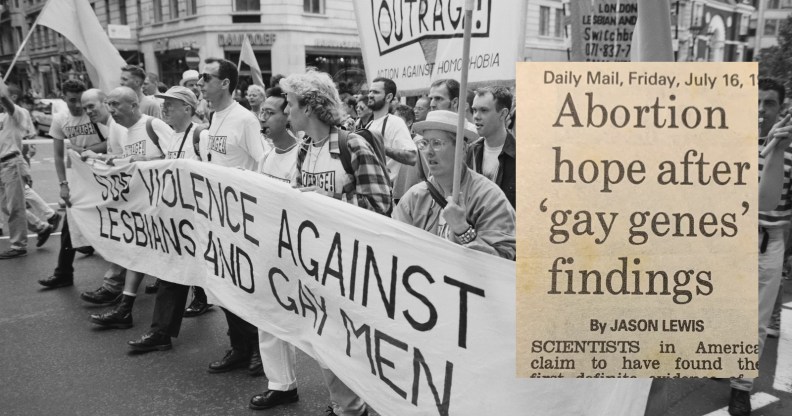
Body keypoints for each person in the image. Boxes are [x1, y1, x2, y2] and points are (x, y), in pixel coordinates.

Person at [284, 69, 392, 416]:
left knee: (349, 340)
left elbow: (381, 205)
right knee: (323, 337)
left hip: (352, 263)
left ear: (310, 109)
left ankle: (353, 405)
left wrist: (327, 200)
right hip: (318, 261)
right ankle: (345, 403)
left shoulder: (352, 144)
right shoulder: (303, 149)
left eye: (290, 104)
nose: (287, 112)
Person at [197, 57, 267, 376]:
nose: (200, 82)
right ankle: (239, 346)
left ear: (225, 83)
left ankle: (256, 349)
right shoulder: (214, 117)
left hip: (241, 218)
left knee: (243, 286)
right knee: (223, 284)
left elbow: (263, 162)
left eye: (206, 77)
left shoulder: (245, 119)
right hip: (216, 215)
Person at [727, 77, 792, 416]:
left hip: (769, 242)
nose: (761, 109)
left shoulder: (789, 150)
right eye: (757, 102)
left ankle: (741, 388)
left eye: (769, 103)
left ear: (780, 108)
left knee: (756, 322)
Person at [127, 86, 209, 352]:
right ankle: (160, 332)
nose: (164, 108)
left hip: (199, 222)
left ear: (188, 108)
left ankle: (246, 347)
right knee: (170, 274)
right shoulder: (173, 138)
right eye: (163, 104)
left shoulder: (201, 135)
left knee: (223, 283)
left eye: (171, 104)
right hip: (178, 222)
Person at [87, 87, 172, 329]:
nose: (111, 109)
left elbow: (176, 160)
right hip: (142, 207)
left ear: (133, 105)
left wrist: (142, 162)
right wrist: (108, 161)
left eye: (115, 104)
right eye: (109, 104)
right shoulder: (124, 132)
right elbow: (129, 164)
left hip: (164, 208)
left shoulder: (154, 126)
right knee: (136, 252)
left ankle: (199, 298)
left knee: (167, 263)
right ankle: (125, 309)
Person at [393, 110, 515, 260]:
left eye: (436, 143)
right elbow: (395, 247)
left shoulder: (489, 198)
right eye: (424, 143)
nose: (428, 152)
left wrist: (462, 229)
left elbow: (504, 261)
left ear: (462, 149)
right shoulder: (414, 198)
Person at [248, 86, 301, 410]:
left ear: (288, 116)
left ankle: (345, 400)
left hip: (300, 255)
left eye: (269, 113)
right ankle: (281, 384)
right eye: (261, 113)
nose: (262, 118)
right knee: (269, 316)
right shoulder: (267, 156)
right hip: (270, 249)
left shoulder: (303, 155)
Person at [38, 86, 116, 289]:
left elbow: (112, 143)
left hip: (103, 174)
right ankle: (63, 272)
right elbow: (57, 155)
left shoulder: (94, 114)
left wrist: (84, 150)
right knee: (69, 222)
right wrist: (63, 185)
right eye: (72, 100)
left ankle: (121, 276)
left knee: (113, 222)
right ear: (64, 98)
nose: (77, 106)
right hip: (80, 177)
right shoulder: (60, 119)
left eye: (80, 102)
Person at [465, 86, 515, 207]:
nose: (476, 116)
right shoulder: (469, 152)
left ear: (503, 114)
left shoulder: (522, 156)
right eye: (474, 110)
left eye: (484, 110)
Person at [365, 77, 417, 190]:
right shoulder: (369, 125)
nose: (370, 95)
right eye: (370, 91)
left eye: (376, 92)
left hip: (385, 190)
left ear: (388, 97)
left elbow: (412, 157)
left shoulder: (395, 122)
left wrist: (381, 147)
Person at [0, 79, 32, 259]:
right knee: (6, 206)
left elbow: (4, 97)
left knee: (15, 207)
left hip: (11, 163)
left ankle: (18, 245)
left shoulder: (18, 113)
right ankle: (42, 226)